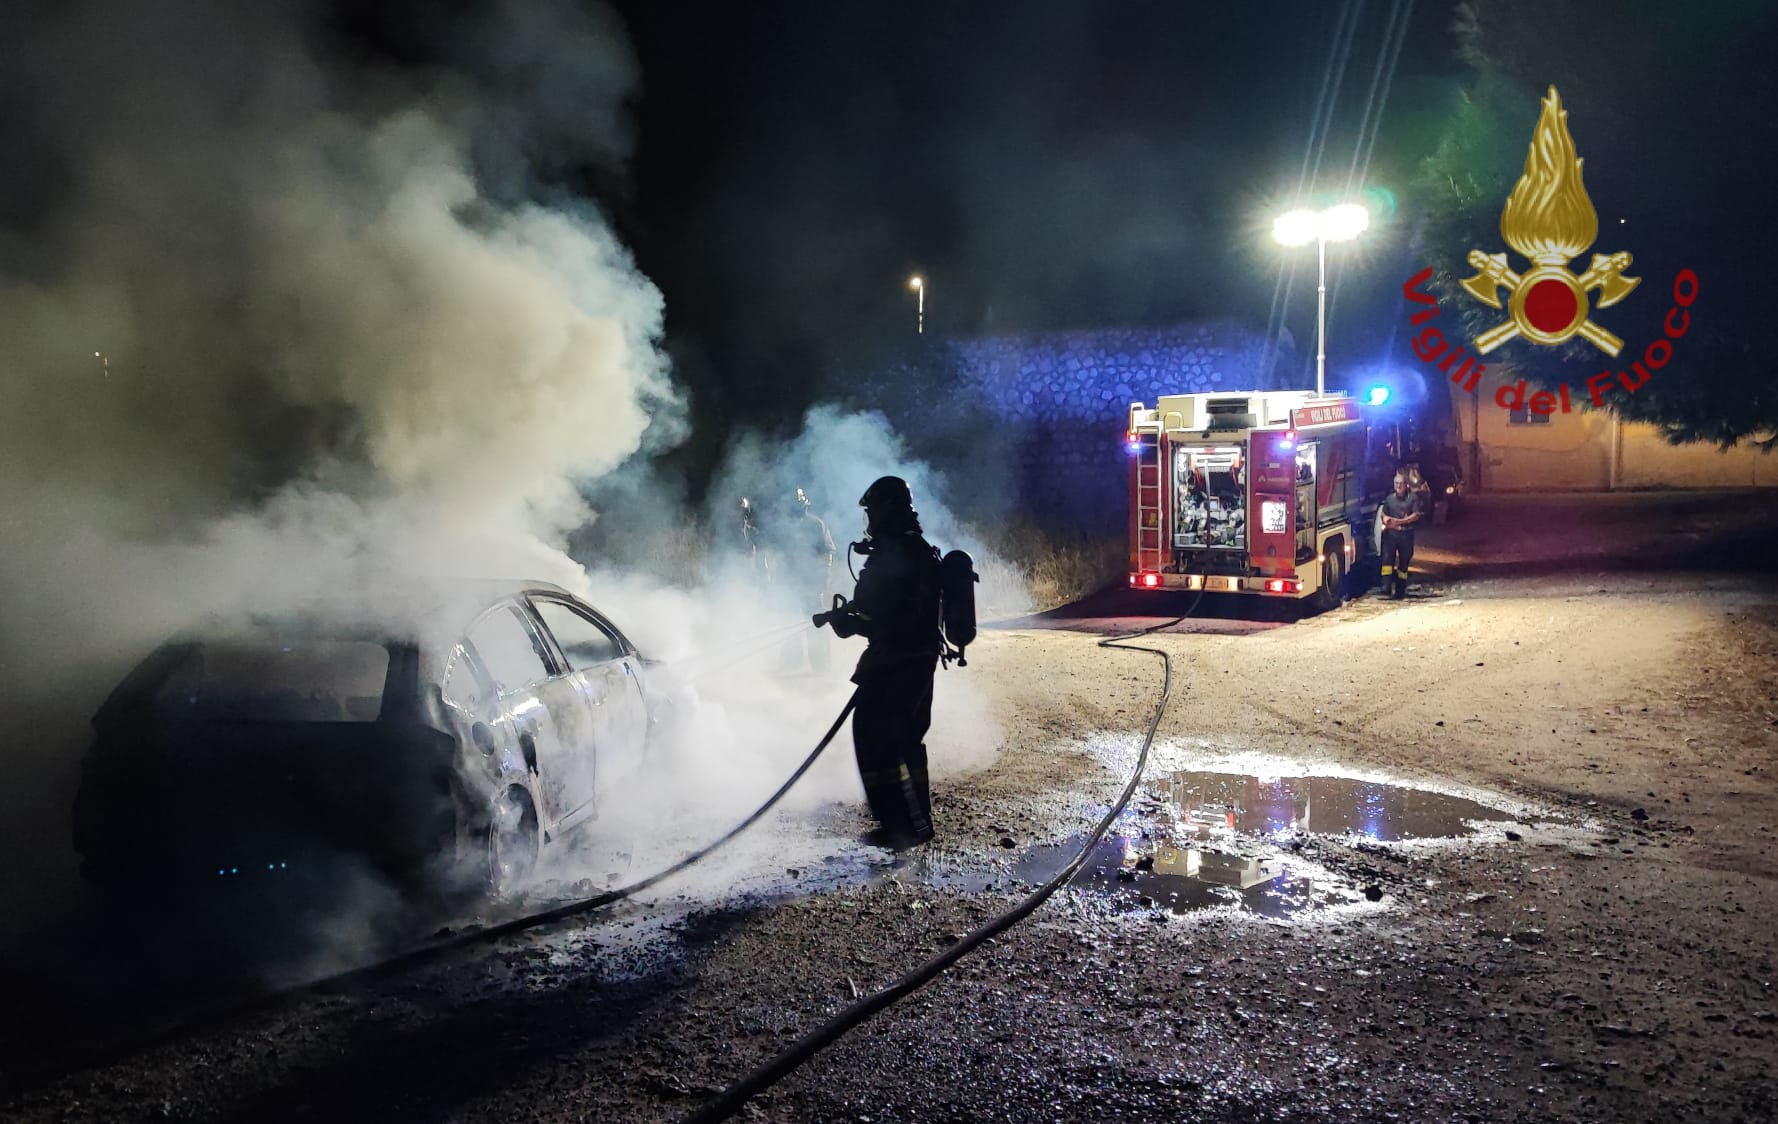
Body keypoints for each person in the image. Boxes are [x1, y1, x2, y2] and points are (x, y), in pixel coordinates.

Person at [812, 475, 943, 851]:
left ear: (886, 510)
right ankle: (912, 823)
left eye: (871, 512)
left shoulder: (893, 553)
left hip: (898, 658)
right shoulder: (916, 548)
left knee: (875, 736)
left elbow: (874, 614)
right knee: (904, 740)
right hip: (916, 656)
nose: (868, 520)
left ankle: (903, 826)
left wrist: (844, 623)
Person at [774, 488, 836, 673]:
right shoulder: (784, 527)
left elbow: (828, 552)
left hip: (810, 581)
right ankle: (793, 663)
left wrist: (822, 576)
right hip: (793, 582)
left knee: (813, 622)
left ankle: (820, 664)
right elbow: (782, 554)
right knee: (792, 621)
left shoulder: (816, 525)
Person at [1378, 471, 1424, 599]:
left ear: (1406, 485)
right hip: (1391, 534)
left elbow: (1416, 515)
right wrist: (1385, 519)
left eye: (1401, 484)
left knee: (1403, 563)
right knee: (1387, 560)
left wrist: (1401, 522)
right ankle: (1386, 587)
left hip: (1406, 534)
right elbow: (1383, 513)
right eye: (1396, 484)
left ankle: (1400, 589)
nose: (1399, 486)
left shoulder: (1412, 498)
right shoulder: (1389, 499)